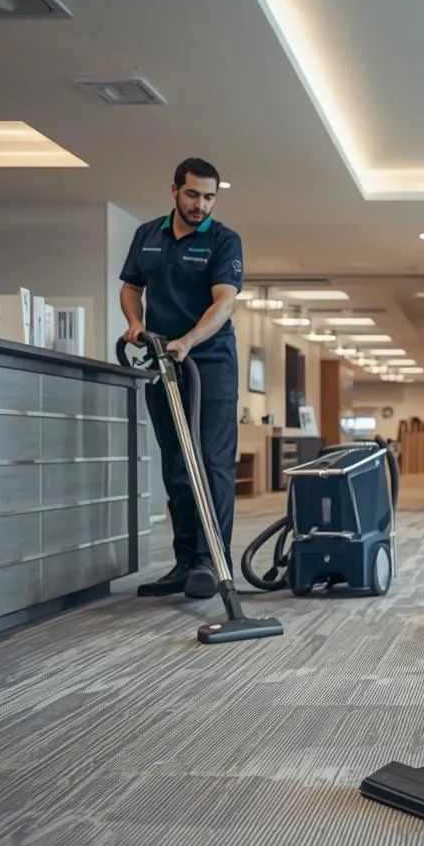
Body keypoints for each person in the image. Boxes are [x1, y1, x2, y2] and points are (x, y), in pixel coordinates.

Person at [120, 157, 243, 599]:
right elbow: (131, 287)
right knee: (175, 463)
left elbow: (223, 303)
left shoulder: (224, 240)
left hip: (208, 364)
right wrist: (135, 324)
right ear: (174, 191)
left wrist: (188, 341)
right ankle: (186, 561)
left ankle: (215, 561)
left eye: (209, 197)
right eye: (193, 194)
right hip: (162, 362)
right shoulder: (147, 235)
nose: (201, 204)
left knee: (210, 463)